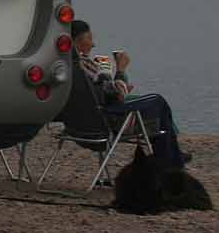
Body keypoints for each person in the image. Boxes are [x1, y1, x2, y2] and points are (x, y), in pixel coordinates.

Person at [71, 20, 190, 168]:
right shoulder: (83, 64)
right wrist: (120, 70)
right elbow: (118, 96)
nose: (93, 44)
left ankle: (173, 153)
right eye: (89, 38)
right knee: (158, 101)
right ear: (76, 42)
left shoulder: (63, 66)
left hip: (76, 127)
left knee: (144, 101)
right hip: (105, 123)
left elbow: (100, 93)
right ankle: (170, 158)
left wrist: (115, 85)